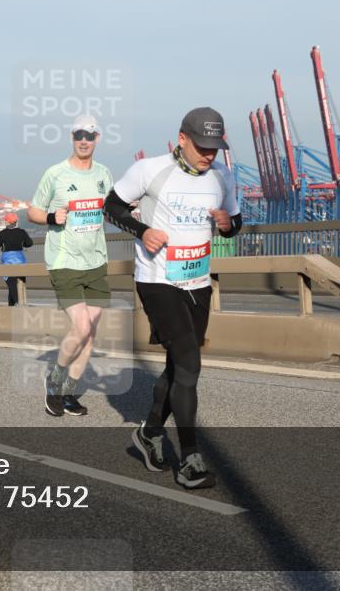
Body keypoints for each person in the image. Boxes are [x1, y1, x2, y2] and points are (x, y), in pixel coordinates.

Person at [104, 107, 243, 490]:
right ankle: (190, 460)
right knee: (190, 365)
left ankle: (149, 434)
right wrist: (142, 230)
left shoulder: (222, 176)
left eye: (215, 147)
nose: (209, 154)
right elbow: (111, 206)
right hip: (157, 281)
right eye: (202, 146)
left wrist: (228, 226)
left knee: (178, 367)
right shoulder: (149, 170)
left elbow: (235, 224)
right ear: (182, 138)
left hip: (197, 283)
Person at [26, 114, 114, 417]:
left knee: (90, 334)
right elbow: (32, 211)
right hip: (64, 262)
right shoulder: (56, 174)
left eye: (89, 135)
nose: (84, 141)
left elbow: (112, 210)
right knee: (81, 326)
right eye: (79, 135)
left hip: (97, 261)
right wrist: (51, 218)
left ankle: (69, 392)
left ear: (97, 139)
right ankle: (55, 380)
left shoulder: (104, 173)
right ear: (72, 138)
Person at [0, 212, 33, 306]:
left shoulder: (2, 233)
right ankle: (11, 306)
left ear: (7, 222)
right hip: (20, 260)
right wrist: (22, 243)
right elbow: (30, 243)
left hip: (7, 261)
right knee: (17, 284)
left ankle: (18, 303)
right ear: (16, 222)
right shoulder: (22, 232)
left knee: (11, 283)